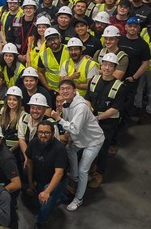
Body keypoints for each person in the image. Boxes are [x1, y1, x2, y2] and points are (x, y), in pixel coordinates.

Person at [49, 80, 104, 212]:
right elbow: (70, 124)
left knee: (83, 170)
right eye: (62, 89)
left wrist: (58, 119)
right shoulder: (66, 104)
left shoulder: (81, 107)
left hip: (94, 140)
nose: (65, 91)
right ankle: (74, 177)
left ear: (75, 90)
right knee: (70, 149)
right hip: (81, 138)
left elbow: (74, 128)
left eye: (68, 88)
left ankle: (78, 199)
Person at [85, 52, 126, 189]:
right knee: (89, 144)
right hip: (92, 120)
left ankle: (99, 173)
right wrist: (90, 115)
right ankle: (91, 165)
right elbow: (88, 99)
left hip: (107, 123)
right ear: (101, 65)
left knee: (102, 148)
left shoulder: (119, 87)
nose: (107, 68)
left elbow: (114, 109)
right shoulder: (94, 80)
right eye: (105, 64)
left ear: (115, 68)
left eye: (110, 66)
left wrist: (98, 118)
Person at [25, 121, 68, 228]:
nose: (43, 135)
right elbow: (29, 163)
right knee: (35, 203)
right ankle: (59, 197)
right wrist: (30, 182)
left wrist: (47, 192)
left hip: (55, 180)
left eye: (47, 133)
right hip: (40, 178)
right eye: (40, 132)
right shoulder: (33, 143)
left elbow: (59, 173)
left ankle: (41, 222)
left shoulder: (59, 149)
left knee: (45, 203)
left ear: (53, 133)